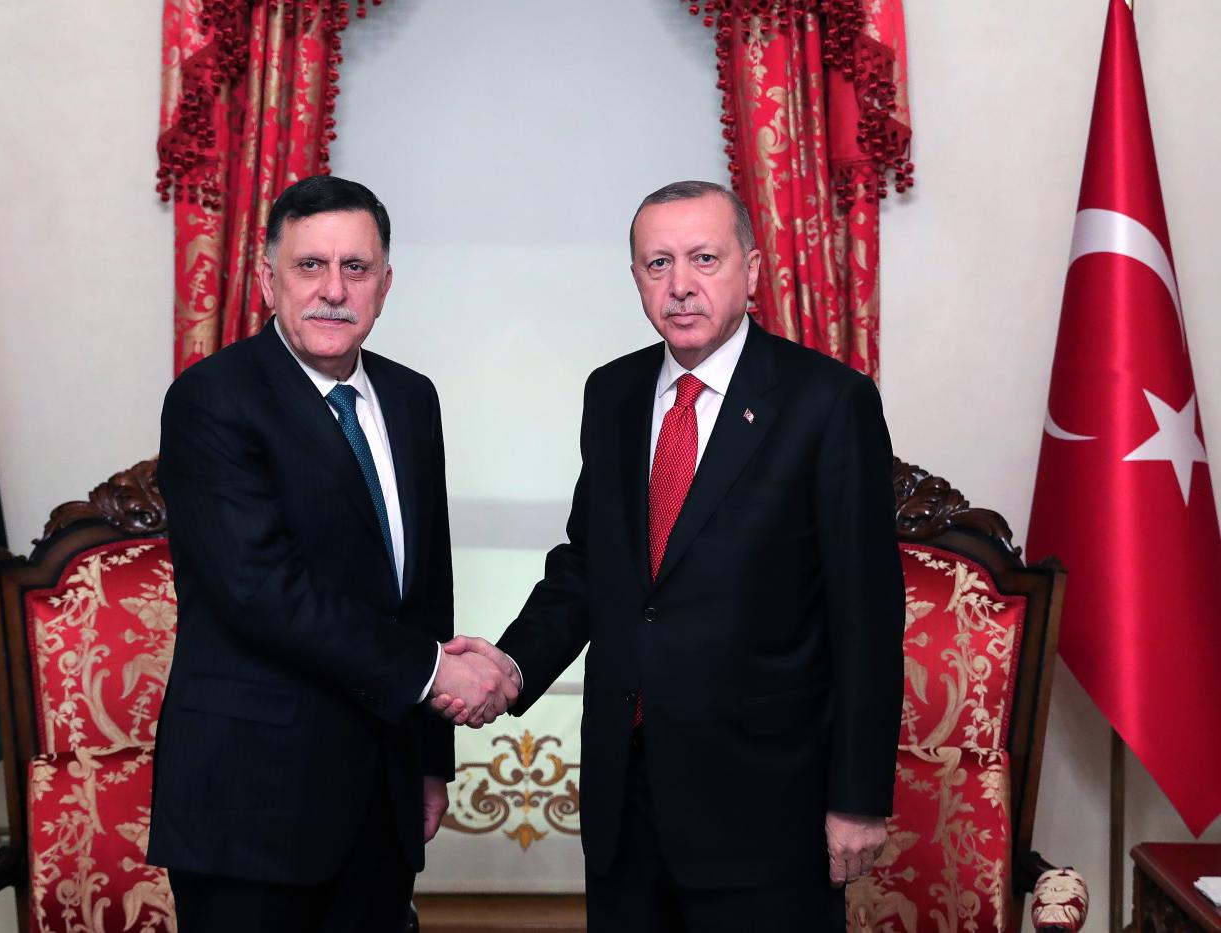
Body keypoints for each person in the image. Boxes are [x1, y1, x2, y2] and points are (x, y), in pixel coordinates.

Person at [435, 180, 905, 932]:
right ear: (636, 278)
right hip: (627, 800)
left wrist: (858, 797)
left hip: (766, 807)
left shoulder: (828, 401)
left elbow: (867, 616)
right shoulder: (613, 393)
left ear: (752, 269)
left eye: (703, 259)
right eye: (658, 263)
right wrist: (513, 665)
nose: (680, 284)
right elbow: (590, 565)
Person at [148, 174, 517, 933]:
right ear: (267, 280)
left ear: (385, 284)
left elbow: (425, 588)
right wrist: (435, 673)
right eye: (310, 265)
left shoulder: (412, 399)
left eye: (356, 268)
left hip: (380, 796)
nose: (333, 290)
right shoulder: (212, 398)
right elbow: (260, 591)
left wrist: (429, 760)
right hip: (250, 805)